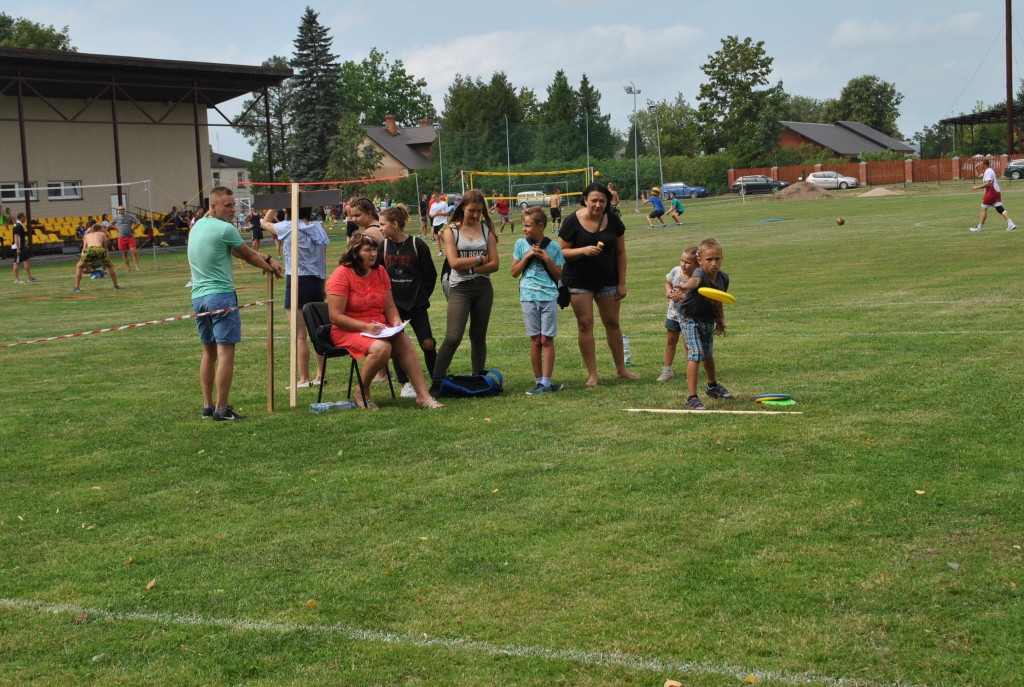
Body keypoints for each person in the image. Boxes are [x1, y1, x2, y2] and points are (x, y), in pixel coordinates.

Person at [188, 186, 282, 421]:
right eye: (228, 205)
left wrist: (268, 258)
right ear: (213, 206)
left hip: (198, 298)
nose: (233, 210)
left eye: (234, 205)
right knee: (225, 353)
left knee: (208, 352)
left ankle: (208, 406)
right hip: (220, 296)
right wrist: (270, 267)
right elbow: (248, 255)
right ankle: (221, 410)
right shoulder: (224, 229)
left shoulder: (197, 226)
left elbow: (239, 251)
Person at [326, 231, 443, 409]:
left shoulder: (380, 271)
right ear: (355, 253)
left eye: (374, 249)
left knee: (403, 340)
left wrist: (396, 321)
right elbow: (335, 317)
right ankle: (361, 393)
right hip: (348, 329)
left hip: (379, 327)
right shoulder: (341, 275)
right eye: (367, 250)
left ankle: (423, 396)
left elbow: (389, 306)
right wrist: (366, 326)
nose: (373, 253)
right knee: (382, 347)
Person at [557, 182, 638, 387]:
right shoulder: (572, 221)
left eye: (602, 201)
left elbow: (620, 253)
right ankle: (592, 374)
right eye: (594, 200)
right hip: (579, 281)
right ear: (585, 200)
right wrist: (583, 251)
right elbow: (560, 252)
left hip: (608, 279)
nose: (598, 204)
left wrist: (622, 283)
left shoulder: (614, 221)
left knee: (612, 323)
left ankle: (621, 369)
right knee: (585, 325)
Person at [430, 189, 500, 395]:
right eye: (472, 211)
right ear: (462, 208)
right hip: (460, 288)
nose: (476, 215)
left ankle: (478, 378)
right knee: (453, 337)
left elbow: (494, 264)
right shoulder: (451, 230)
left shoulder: (487, 229)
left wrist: (468, 266)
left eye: (479, 211)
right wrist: (479, 259)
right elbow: (453, 263)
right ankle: (436, 383)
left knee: (478, 336)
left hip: (483, 288)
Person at [262, 207, 331, 389]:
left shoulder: (288, 226)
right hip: (315, 280)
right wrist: (322, 285)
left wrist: (273, 207)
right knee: (318, 332)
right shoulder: (317, 228)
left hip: (297, 279)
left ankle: (303, 378)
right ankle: (320, 375)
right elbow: (322, 261)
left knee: (300, 336)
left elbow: (264, 223)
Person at [377, 205, 438, 398]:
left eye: (382, 224)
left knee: (428, 343)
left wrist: (421, 295)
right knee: (398, 344)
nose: (380, 228)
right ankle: (405, 385)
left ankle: (437, 381)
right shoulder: (383, 246)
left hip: (417, 305)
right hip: (393, 306)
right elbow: (377, 276)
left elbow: (430, 275)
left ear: (395, 224)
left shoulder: (417, 245)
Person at [511, 207, 565, 395]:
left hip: (548, 297)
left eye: (527, 226)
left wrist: (547, 259)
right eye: (523, 225)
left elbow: (558, 275)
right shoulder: (520, 244)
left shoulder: (554, 246)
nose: (524, 229)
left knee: (547, 339)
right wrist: (527, 256)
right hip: (528, 297)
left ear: (540, 226)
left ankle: (547, 383)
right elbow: (514, 272)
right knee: (535, 340)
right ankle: (539, 382)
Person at [676, 237, 734, 410]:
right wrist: (685, 287)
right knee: (696, 352)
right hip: (689, 316)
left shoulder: (724, 278)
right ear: (700, 260)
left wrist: (721, 320)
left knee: (707, 353)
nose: (714, 263)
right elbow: (694, 282)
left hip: (708, 317)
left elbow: (720, 299)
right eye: (709, 259)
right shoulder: (700, 273)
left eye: (717, 258)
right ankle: (691, 399)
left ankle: (712, 386)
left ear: (722, 258)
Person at [657, 246, 698, 381]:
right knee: (670, 341)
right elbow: (668, 283)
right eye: (682, 260)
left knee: (688, 344)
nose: (683, 264)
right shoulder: (675, 271)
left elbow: (698, 299)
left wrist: (682, 297)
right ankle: (667, 370)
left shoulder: (698, 278)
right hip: (673, 314)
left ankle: (690, 372)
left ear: (697, 263)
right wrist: (668, 291)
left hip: (689, 316)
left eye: (687, 262)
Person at [970, 159, 1017, 232]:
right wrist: (976, 168)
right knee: (1000, 209)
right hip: (996, 192)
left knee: (983, 209)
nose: (979, 164)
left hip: (991, 192)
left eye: (981, 163)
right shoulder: (988, 171)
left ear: (985, 164)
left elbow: (988, 183)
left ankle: (979, 227)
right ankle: (1011, 224)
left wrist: (976, 187)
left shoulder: (988, 171)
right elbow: (978, 176)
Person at [73, 223, 120, 292]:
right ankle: (116, 286)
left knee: (79, 267)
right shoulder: (102, 234)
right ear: (99, 229)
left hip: (89, 249)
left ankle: (76, 288)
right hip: (99, 249)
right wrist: (107, 256)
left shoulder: (86, 236)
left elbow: (84, 249)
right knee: (110, 266)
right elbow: (105, 247)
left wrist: (82, 258)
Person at [111, 204, 142, 271]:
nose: (122, 210)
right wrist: (116, 228)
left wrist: (133, 228)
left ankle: (137, 267)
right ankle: (128, 267)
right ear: (119, 211)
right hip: (121, 237)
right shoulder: (117, 217)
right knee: (124, 252)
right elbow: (110, 224)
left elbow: (138, 222)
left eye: (123, 209)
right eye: (121, 209)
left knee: (133, 251)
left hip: (130, 236)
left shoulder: (130, 216)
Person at [12, 212, 36, 283]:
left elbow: (20, 237)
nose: (25, 218)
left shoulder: (19, 225)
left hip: (21, 246)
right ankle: (16, 279)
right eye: (24, 217)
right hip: (18, 247)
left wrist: (23, 244)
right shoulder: (18, 226)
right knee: (17, 262)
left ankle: (29, 277)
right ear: (21, 217)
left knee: (27, 259)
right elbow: (16, 237)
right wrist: (18, 248)